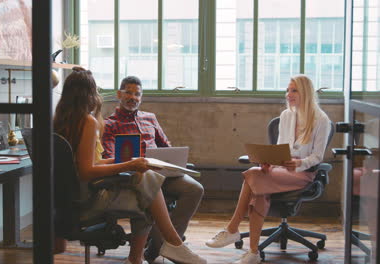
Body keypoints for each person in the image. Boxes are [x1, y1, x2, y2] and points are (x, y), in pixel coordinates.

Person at [53, 67, 206, 264]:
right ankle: (168, 247)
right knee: (146, 195)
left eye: (137, 94)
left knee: (154, 184)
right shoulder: (89, 122)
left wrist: (128, 163)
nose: (98, 96)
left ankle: (151, 253)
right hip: (89, 196)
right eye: (96, 91)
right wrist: (130, 164)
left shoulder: (61, 120)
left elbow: (88, 162)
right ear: (89, 94)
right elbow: (86, 170)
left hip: (73, 194)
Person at [205, 74, 331, 264]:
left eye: (294, 90)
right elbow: (280, 149)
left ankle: (232, 229)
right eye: (287, 90)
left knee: (254, 175)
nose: (288, 94)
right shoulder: (286, 115)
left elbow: (318, 157)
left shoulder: (321, 120)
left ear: (306, 92)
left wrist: (299, 163)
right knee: (259, 190)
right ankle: (253, 252)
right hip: (280, 170)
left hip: (302, 173)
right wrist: (269, 162)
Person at [102, 76, 204, 263]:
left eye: (137, 94)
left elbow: (166, 146)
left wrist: (172, 160)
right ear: (119, 94)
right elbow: (110, 158)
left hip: (163, 173)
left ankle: (159, 247)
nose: (133, 97)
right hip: (136, 178)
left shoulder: (150, 118)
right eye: (129, 92)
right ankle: (164, 248)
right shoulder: (109, 124)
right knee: (152, 194)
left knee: (195, 189)